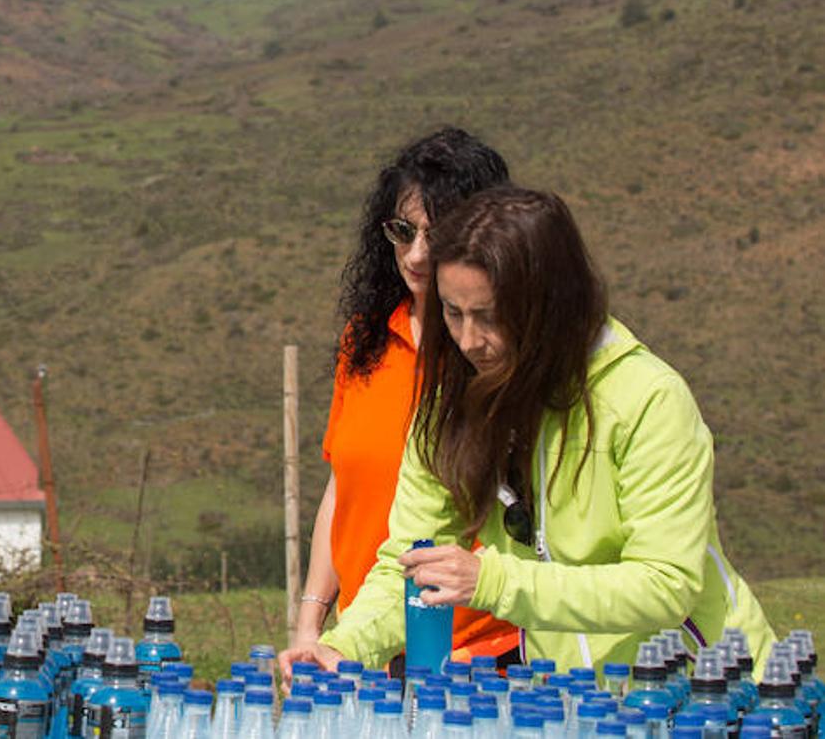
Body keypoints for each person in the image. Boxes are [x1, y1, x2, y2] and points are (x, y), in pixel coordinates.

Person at [301, 187, 774, 671]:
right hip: (574, 700)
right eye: (453, 312)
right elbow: (410, 561)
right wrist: (344, 646)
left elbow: (666, 585)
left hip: (711, 691)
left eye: (488, 317)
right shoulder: (448, 406)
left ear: (551, 305)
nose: (467, 340)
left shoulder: (648, 399)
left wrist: (493, 582)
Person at [278, 129, 518, 680]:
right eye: (402, 231)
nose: (416, 254)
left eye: (439, 235)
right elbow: (343, 486)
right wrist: (312, 621)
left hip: (472, 658)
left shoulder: (495, 356)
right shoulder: (366, 341)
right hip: (363, 645)